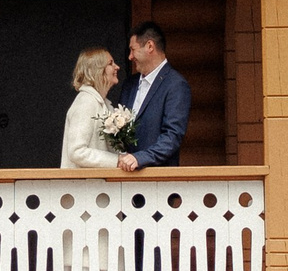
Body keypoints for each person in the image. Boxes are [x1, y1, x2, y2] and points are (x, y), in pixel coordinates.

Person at [115, 22, 190, 172]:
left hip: (158, 178)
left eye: (133, 50)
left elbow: (172, 136)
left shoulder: (176, 85)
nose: (130, 57)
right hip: (124, 177)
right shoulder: (129, 84)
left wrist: (140, 158)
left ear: (150, 46)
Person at [60, 47, 125, 169]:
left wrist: (126, 158)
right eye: (110, 63)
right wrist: (116, 160)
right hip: (84, 181)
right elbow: (77, 152)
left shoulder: (103, 103)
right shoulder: (86, 102)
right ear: (97, 70)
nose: (117, 67)